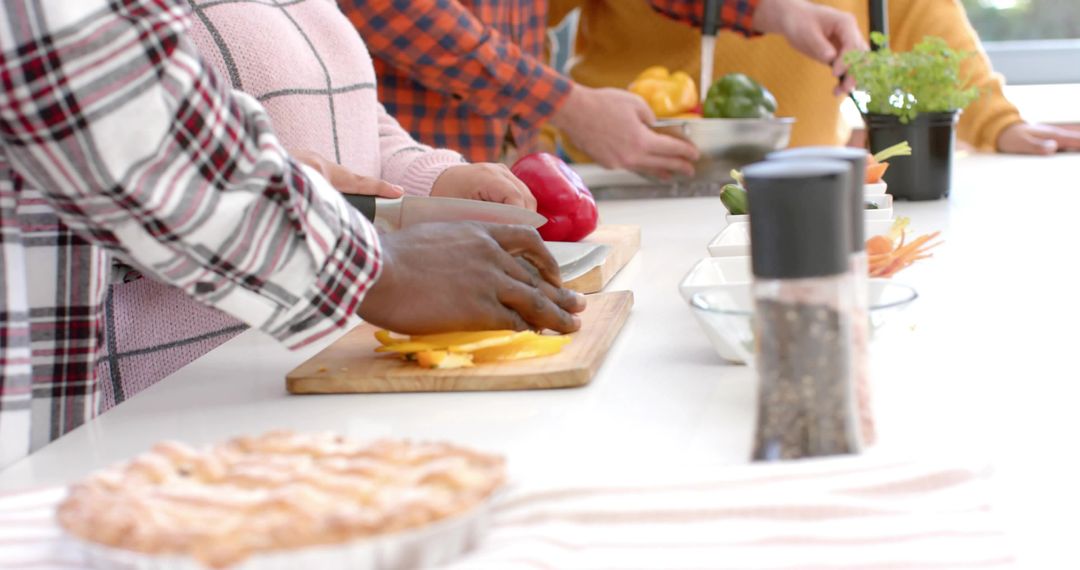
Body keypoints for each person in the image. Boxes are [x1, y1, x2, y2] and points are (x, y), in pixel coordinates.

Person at [0, 0, 583, 468]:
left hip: (291, 393)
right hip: (155, 418)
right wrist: (378, 266)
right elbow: (122, 126)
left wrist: (428, 177)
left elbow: (349, 110)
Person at [94, 0, 542, 412]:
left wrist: (434, 179)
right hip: (178, 400)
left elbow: (361, 120)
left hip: (325, 365)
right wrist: (365, 264)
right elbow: (129, 175)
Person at [340, 0, 866, 179]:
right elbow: (404, 16)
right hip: (388, 179)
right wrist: (566, 105)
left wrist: (773, 11)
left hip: (501, 175)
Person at [552, 0, 1080, 157]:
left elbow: (926, 19)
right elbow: (507, 21)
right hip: (617, 171)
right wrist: (548, 108)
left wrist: (997, 123)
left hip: (796, 175)